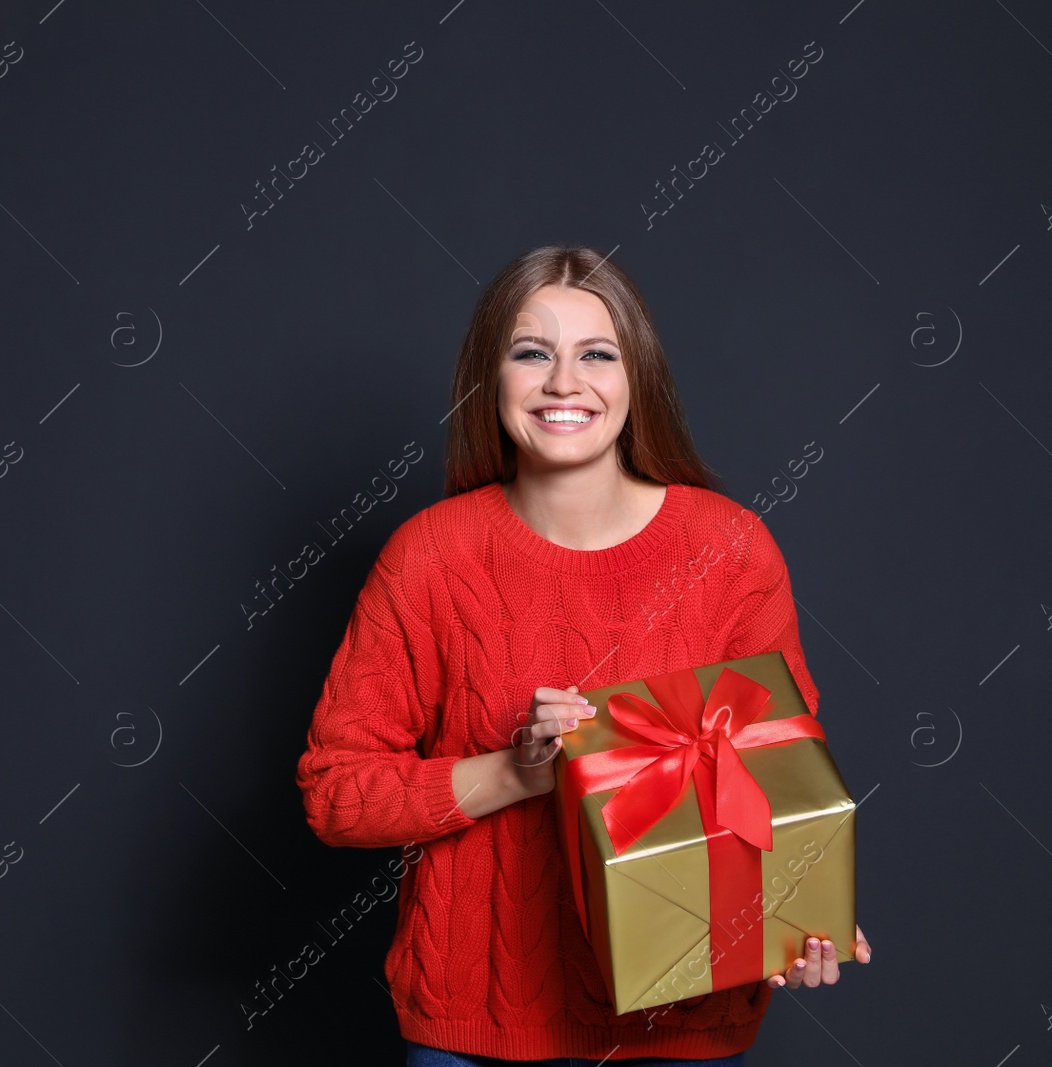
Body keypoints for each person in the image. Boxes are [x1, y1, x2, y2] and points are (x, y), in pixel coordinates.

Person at [295, 245, 871, 1064]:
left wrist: (800, 907)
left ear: (637, 379)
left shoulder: (732, 550)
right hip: (474, 1026)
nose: (565, 382)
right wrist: (516, 771)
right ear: (488, 378)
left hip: (681, 1026)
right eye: (532, 353)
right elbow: (334, 792)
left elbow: (781, 774)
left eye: (596, 354)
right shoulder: (427, 559)